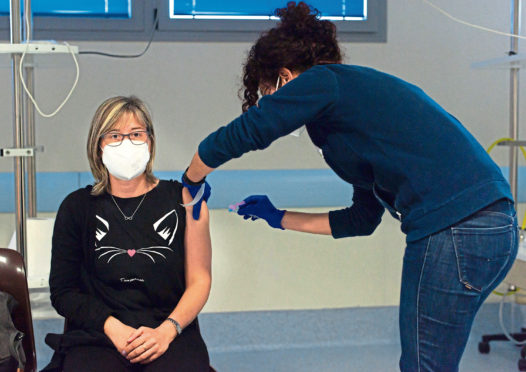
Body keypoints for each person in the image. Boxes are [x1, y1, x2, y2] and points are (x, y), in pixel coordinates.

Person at [182, 2, 518, 371]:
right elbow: (362, 219)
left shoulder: (324, 81)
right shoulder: (347, 120)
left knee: (425, 366)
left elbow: (251, 130)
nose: (271, 104)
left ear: (285, 77)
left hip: (454, 228)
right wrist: (276, 216)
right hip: (493, 229)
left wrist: (191, 177)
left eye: (268, 92)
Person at [43, 96, 212, 372]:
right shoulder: (76, 207)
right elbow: (63, 291)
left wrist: (167, 331)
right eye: (114, 136)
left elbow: (200, 280)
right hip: (98, 335)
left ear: (150, 142)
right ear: (98, 146)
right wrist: (112, 327)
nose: (126, 143)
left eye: (136, 134)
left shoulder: (184, 201)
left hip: (170, 332)